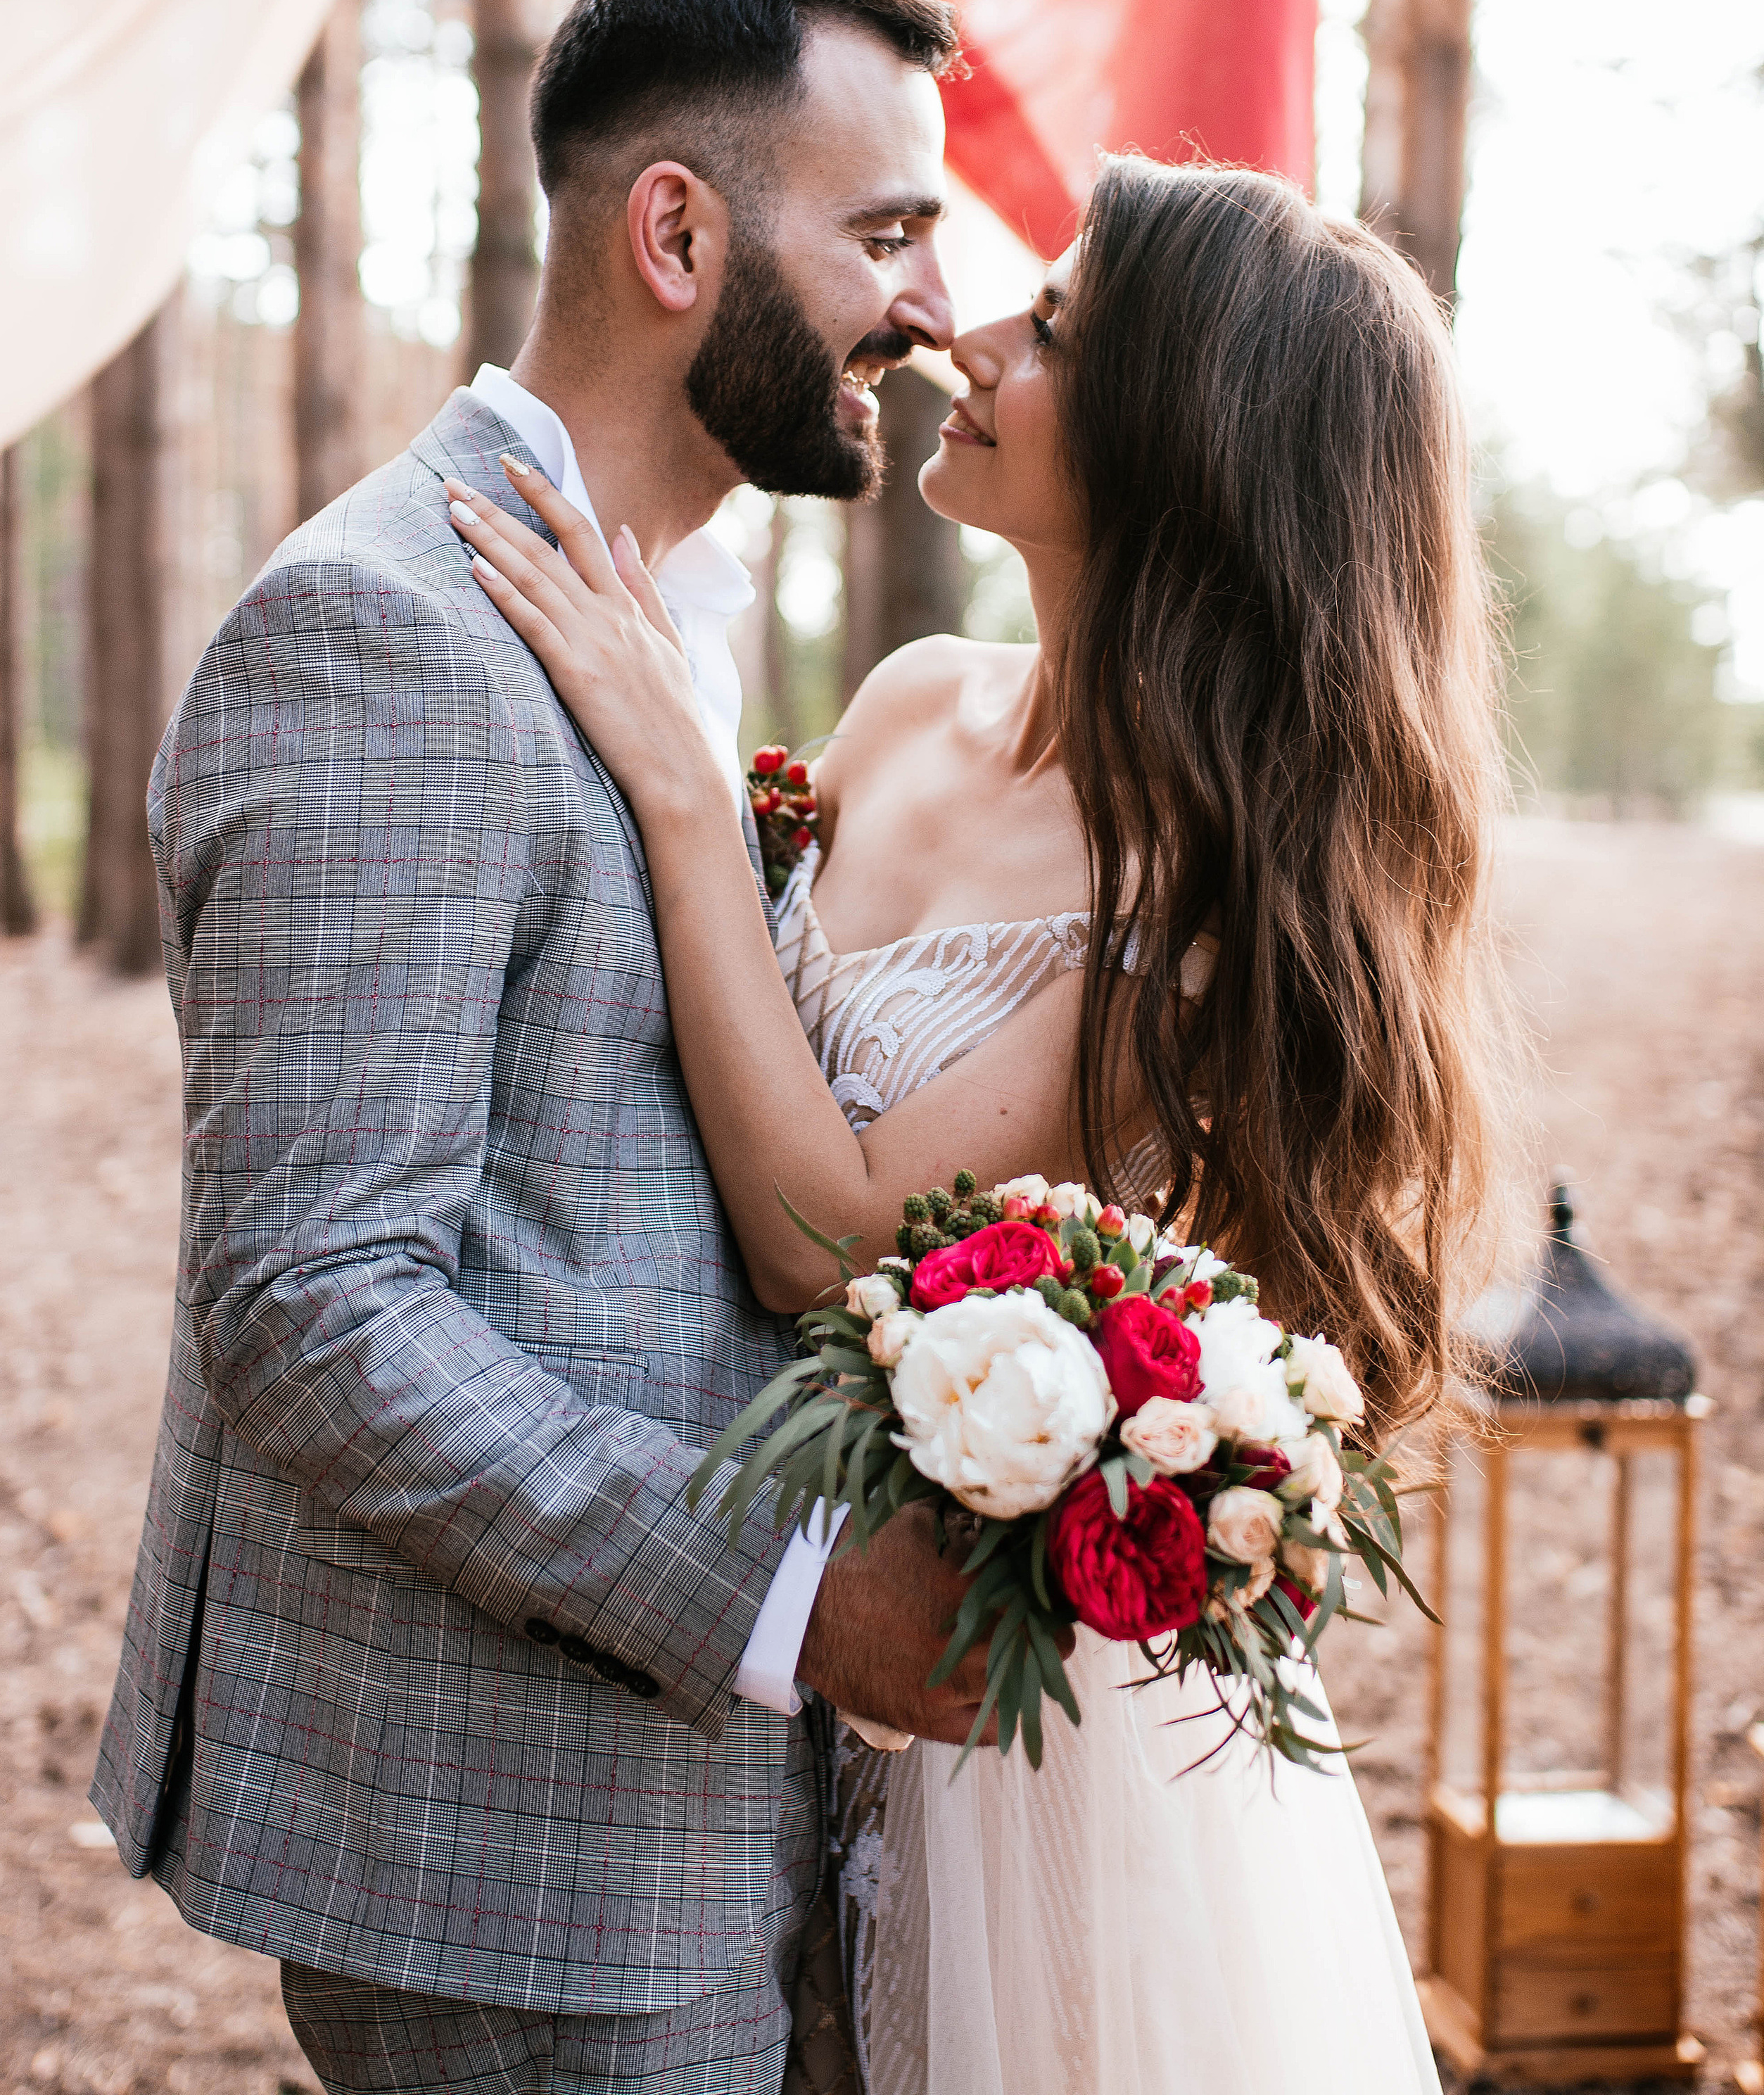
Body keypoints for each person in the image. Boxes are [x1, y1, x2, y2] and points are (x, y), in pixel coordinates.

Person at [91, 0, 1052, 2095]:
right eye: (887, 230)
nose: (926, 306)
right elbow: (318, 1303)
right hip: (511, 1853)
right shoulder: (383, 638)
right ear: (681, 231)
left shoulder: (669, 614)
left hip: (716, 1814)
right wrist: (804, 1600)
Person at [444, 152, 1514, 2094]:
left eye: (1061, 329)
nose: (962, 329)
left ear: (1182, 451)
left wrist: (687, 797)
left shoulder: (1193, 900)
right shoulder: (916, 699)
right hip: (752, 1618)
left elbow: (823, 1231)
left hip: (999, 1719)